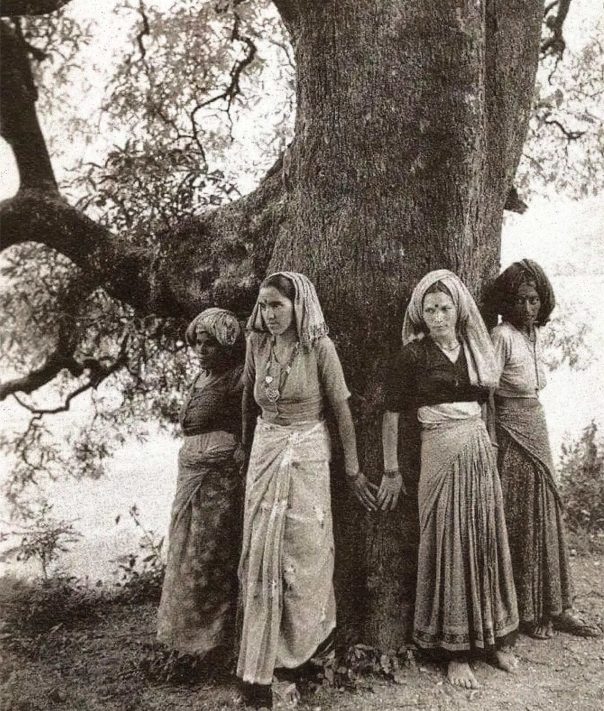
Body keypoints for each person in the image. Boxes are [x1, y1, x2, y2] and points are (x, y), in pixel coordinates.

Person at [236, 272, 374, 708]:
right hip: (265, 450)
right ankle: (263, 661)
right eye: (263, 305)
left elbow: (341, 409)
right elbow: (247, 401)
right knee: (263, 554)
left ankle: (304, 654)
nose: (269, 314)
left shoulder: (320, 348)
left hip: (309, 453)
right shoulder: (258, 344)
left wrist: (352, 469)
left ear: (299, 307)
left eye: (277, 305)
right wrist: (244, 446)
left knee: (304, 555)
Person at [381, 269, 519, 690]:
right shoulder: (413, 356)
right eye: (430, 308)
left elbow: (487, 407)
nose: (438, 315)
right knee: (448, 540)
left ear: (459, 310)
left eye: (445, 307)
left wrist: (491, 448)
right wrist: (391, 470)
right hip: (439, 449)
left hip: (478, 450)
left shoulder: (476, 350)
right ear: (419, 313)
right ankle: (455, 651)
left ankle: (491, 638)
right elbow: (391, 414)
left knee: (483, 537)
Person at [489, 259, 601, 640]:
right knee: (521, 514)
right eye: (520, 300)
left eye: (534, 300)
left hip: (536, 423)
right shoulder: (502, 335)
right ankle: (528, 610)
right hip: (511, 429)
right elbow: (487, 391)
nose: (527, 308)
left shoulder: (535, 335)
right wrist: (491, 436)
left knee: (547, 509)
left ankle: (558, 605)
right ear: (508, 300)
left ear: (543, 301)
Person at [157, 308, 244, 661]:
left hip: (218, 480)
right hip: (192, 472)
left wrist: (230, 452)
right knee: (184, 547)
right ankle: (182, 639)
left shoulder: (236, 379)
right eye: (198, 343)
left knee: (209, 553)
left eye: (210, 344)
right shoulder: (200, 379)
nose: (201, 350)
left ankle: (211, 643)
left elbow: (245, 427)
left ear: (227, 346)